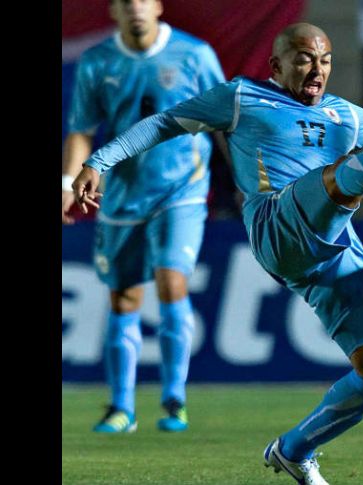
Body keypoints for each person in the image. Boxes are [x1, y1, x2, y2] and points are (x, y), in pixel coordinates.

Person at [71, 22, 363, 485]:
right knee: (347, 173)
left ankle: (294, 449)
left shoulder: (345, 116)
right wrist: (98, 161)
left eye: (325, 60)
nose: (317, 69)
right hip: (276, 225)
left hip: (334, 249)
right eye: (305, 58)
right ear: (277, 64)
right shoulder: (240, 97)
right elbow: (164, 122)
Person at [61, 0, 225, 433]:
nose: (135, 8)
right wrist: (66, 185)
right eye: (125, 2)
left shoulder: (195, 55)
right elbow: (81, 129)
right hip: (120, 195)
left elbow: (227, 119)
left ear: (157, 6)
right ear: (113, 11)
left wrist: (246, 180)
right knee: (124, 297)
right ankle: (122, 407)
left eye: (142, 0)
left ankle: (174, 400)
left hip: (182, 189)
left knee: (172, 278)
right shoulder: (98, 62)